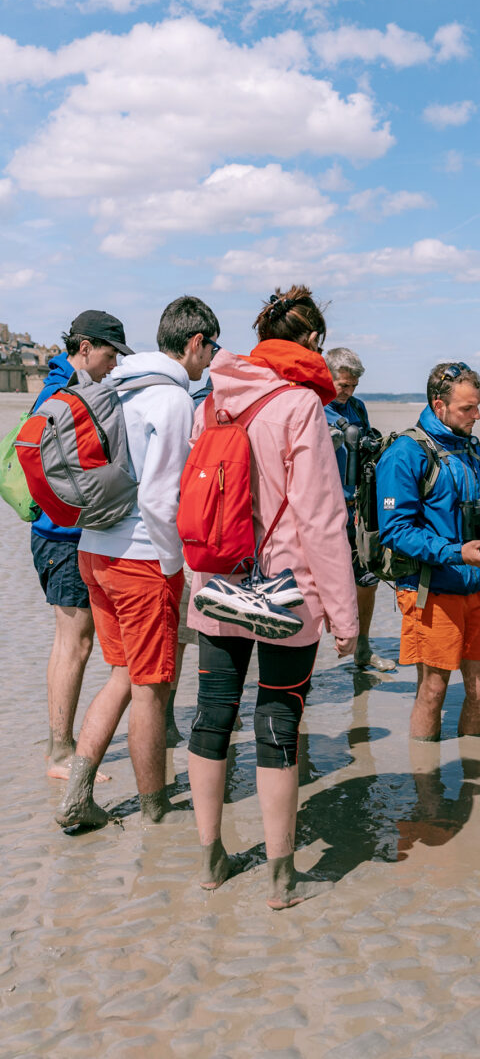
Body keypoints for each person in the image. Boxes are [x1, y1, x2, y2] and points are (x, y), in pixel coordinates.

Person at [185, 285, 358, 907]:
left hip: (219, 582)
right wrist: (344, 614)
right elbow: (321, 520)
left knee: (211, 717)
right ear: (310, 343)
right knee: (278, 724)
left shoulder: (215, 398)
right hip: (286, 593)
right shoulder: (300, 407)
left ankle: (211, 859)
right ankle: (282, 877)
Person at [55, 296, 220, 828]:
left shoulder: (117, 383)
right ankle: (154, 809)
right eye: (211, 347)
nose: (212, 360)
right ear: (194, 343)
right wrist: (178, 567)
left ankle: (78, 794)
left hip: (93, 549)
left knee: (124, 675)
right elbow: (158, 498)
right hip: (141, 560)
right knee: (151, 687)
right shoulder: (172, 399)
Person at [376, 361, 480, 741]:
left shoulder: (470, 447)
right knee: (433, 691)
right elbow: (395, 531)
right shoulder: (406, 452)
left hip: (476, 586)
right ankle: (426, 793)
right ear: (439, 405)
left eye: (478, 406)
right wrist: (456, 553)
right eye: (468, 408)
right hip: (429, 588)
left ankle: (477, 782)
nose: (477, 415)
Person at [29, 310, 132, 779]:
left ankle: (61, 746)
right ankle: (59, 753)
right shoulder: (61, 394)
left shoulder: (63, 386)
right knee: (75, 642)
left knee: (73, 641)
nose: (114, 366)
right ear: (86, 347)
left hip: (60, 534)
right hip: (62, 537)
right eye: (110, 355)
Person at [324, 346, 396, 674]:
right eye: (343, 384)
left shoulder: (358, 407)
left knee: (367, 579)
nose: (348, 391)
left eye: (353, 385)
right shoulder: (312, 405)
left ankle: (363, 648)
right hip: (324, 510)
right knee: (315, 587)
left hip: (358, 507)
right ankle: (301, 666)